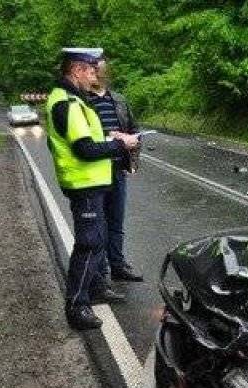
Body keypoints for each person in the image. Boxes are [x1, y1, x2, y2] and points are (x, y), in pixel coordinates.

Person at [45, 48, 140, 330]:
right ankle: (77, 306)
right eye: (90, 71)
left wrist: (110, 136)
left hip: (90, 184)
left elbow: (84, 137)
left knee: (94, 242)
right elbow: (85, 149)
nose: (93, 76)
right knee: (89, 245)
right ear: (76, 70)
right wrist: (121, 144)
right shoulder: (68, 104)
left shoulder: (70, 100)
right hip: (84, 184)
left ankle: (91, 291)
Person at [86, 56, 143, 283]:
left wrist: (133, 158)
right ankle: (100, 273)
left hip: (118, 169)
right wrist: (111, 137)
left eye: (101, 70)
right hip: (95, 170)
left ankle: (118, 266)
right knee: (98, 225)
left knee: (116, 222)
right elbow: (82, 138)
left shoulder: (119, 100)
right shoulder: (83, 102)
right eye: (95, 70)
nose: (99, 74)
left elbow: (134, 130)